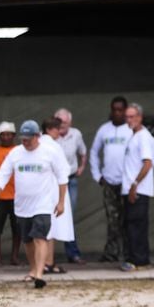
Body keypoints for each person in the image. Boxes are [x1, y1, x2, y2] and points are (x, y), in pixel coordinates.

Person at [0, 120, 68, 288]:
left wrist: (61, 202)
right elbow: (3, 174)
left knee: (40, 237)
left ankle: (40, 275)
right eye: (23, 138)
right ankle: (33, 270)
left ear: (37, 136)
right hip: (22, 206)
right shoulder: (16, 153)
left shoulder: (49, 152)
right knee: (27, 240)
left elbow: (62, 178)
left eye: (28, 138)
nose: (25, 141)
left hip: (43, 204)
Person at [90, 96, 132, 262]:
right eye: (114, 109)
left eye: (120, 110)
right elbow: (94, 152)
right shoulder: (104, 129)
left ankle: (126, 252)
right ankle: (112, 252)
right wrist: (97, 175)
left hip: (126, 183)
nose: (117, 113)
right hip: (108, 182)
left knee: (126, 219)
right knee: (112, 219)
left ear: (126, 110)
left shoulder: (130, 129)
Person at [120, 104, 154, 271]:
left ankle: (139, 260)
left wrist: (135, 184)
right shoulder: (134, 136)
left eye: (132, 116)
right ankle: (135, 258)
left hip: (138, 189)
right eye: (127, 117)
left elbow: (148, 162)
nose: (130, 120)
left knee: (136, 225)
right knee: (130, 225)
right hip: (131, 188)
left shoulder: (142, 136)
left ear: (140, 117)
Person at [53, 108, 88, 265]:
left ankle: (73, 253)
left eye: (64, 122)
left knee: (69, 215)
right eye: (58, 122)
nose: (61, 125)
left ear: (70, 123)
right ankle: (47, 257)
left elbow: (83, 152)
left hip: (70, 180)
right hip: (53, 181)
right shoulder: (49, 136)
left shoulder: (76, 134)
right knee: (48, 216)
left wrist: (82, 167)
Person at [41, 117, 75, 275]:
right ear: (49, 129)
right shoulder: (53, 146)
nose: (60, 132)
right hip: (53, 189)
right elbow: (64, 169)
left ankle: (48, 262)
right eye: (57, 129)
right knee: (49, 227)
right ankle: (46, 262)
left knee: (47, 226)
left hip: (42, 189)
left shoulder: (39, 145)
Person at [0, 121, 23, 267]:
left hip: (17, 196)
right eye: (3, 135)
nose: (6, 137)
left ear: (14, 136)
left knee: (17, 229)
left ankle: (15, 256)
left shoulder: (20, 151)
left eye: (9, 134)